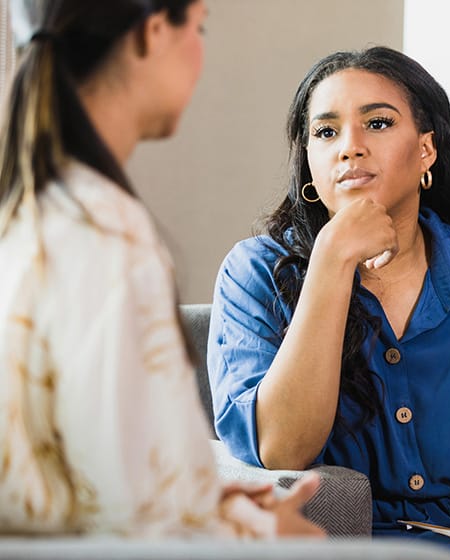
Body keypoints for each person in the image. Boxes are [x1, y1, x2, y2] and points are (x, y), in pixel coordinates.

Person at [207, 46, 450, 559]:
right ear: (309, 162)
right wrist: (331, 259)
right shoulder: (255, 272)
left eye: (377, 123)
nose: (349, 147)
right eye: (326, 132)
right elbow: (282, 448)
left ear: (426, 150)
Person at [0, 0, 324, 538]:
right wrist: (259, 536)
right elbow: (136, 524)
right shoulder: (107, 235)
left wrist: (211, 500)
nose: (200, 52)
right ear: (153, 32)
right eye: (197, 27)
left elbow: (90, 460)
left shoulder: (31, 214)